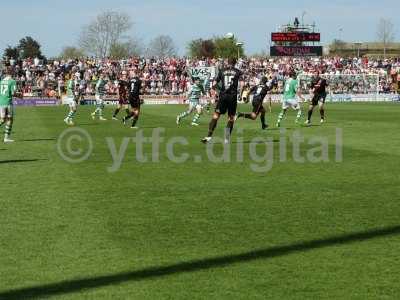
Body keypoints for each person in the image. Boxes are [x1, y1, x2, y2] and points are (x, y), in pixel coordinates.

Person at [201, 58, 242, 144]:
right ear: (235, 63)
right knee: (231, 118)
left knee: (216, 115)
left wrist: (219, 90)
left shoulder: (222, 71)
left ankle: (208, 136)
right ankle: (226, 139)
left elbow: (214, 84)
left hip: (223, 96)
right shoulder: (238, 72)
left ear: (228, 63)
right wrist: (240, 94)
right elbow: (242, 84)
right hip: (232, 97)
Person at [0, 68, 17, 143]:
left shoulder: (1, 81)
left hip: (1, 102)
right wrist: (20, 95)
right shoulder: (12, 81)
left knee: (3, 119)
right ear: (12, 73)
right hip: (8, 102)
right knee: (10, 119)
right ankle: (6, 138)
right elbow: (13, 93)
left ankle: (6, 138)